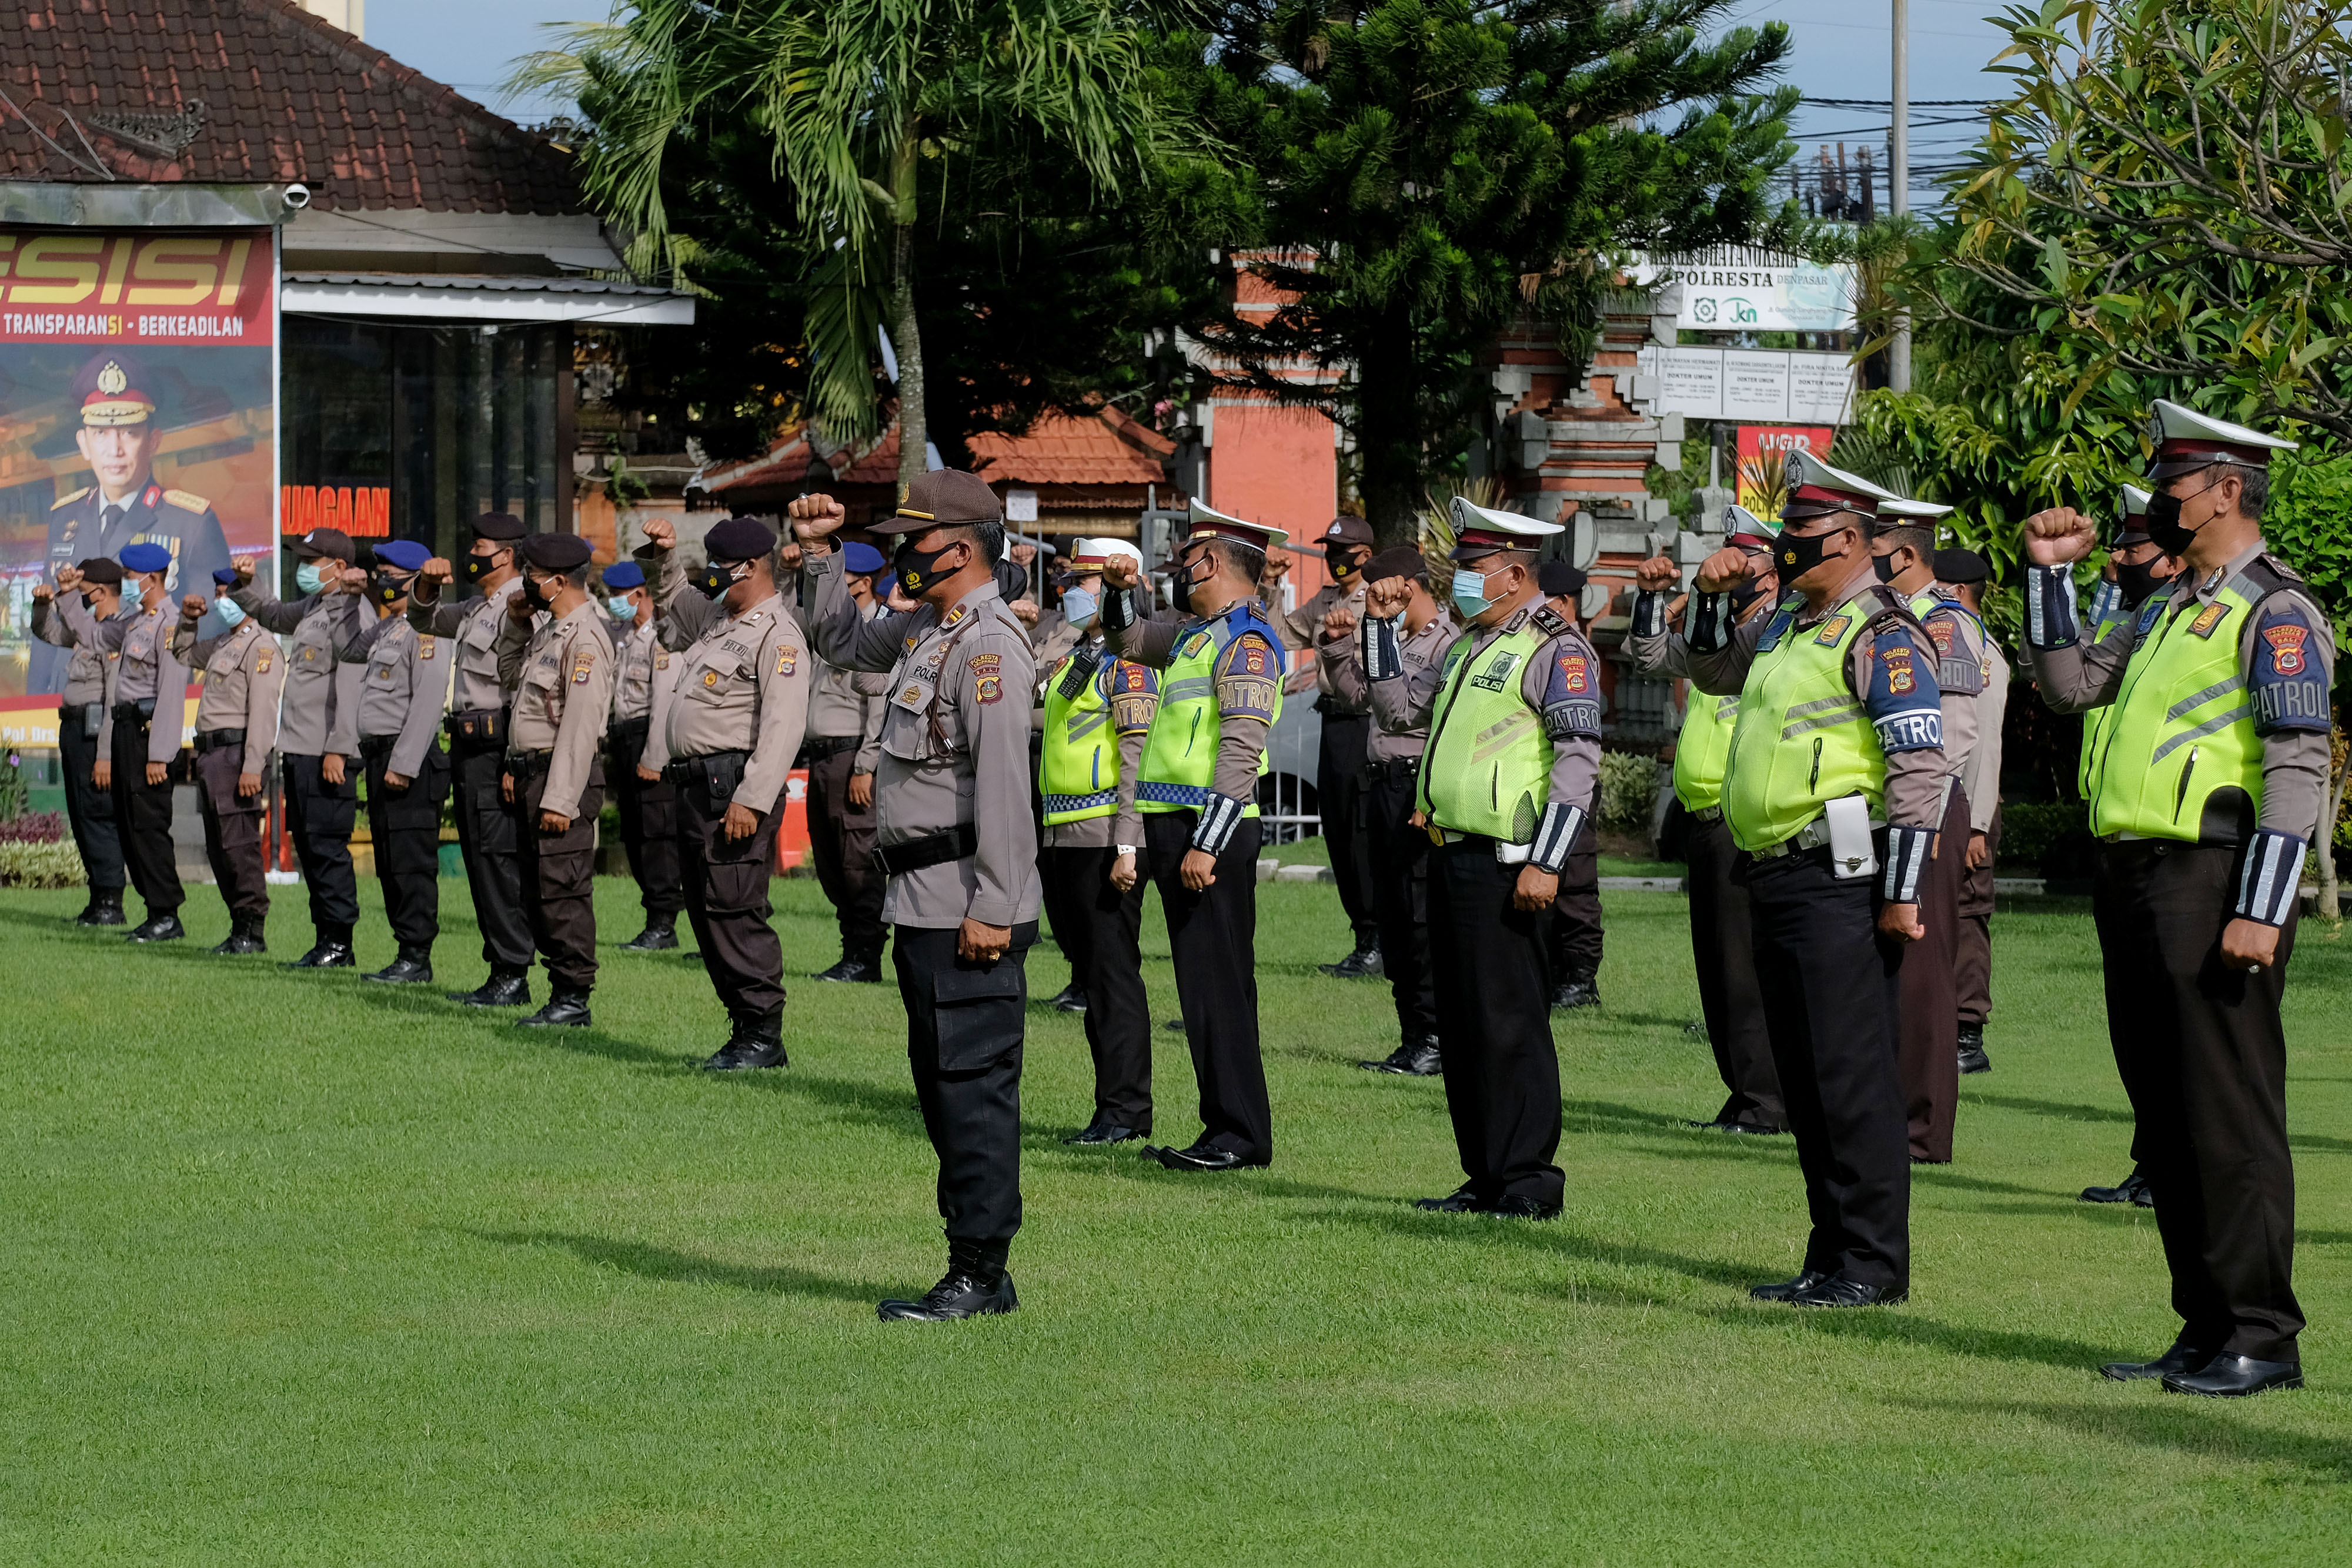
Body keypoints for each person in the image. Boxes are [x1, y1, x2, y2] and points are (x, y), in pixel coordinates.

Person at [2021, 400, 2327, 1398]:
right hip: (2134, 876)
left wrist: (2265, 907)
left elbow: (2298, 764)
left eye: (2177, 483)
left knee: (2226, 1112)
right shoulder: (2163, 607)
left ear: (2230, 491)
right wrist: (2050, 577)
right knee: (2166, 1114)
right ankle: (2202, 1323)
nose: (2159, 500)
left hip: (2213, 876)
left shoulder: (2276, 611)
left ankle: (2261, 1332)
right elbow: (2072, 688)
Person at [1685, 452, 1946, 1308]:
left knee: (1848, 1072)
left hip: (1841, 871)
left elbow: (1918, 766)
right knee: (1803, 1073)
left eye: (1796, 533)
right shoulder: (1791, 626)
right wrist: (1711, 597)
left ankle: (1871, 1262)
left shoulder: (1885, 631)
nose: (1781, 546)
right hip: (1776, 870)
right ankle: (1830, 1252)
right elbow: (1709, 671)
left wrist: (1905, 891)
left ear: (1846, 538)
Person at [791, 472, 1041, 1322]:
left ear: (961, 549)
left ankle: (979, 1268)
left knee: (971, 1088)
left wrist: (996, 905)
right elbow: (834, 638)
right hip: (922, 898)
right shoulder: (926, 631)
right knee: (941, 1085)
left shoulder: (987, 644)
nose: (902, 554)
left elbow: (1007, 786)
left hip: (968, 899)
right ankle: (976, 1262)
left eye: (916, 541)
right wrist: (821, 550)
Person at [1365, 498, 1597, 1218]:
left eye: (1472, 568)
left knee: (1509, 1025)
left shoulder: (1556, 647)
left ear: (1513, 574)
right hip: (1449, 854)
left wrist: (1547, 861)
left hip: (1510, 863)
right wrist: (1377, 630)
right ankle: (1486, 1174)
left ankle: (1528, 1181)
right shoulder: (1467, 644)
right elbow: (1399, 711)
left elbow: (1578, 758)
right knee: (1464, 1030)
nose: (1461, 580)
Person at [1100, 500, 1287, 1173]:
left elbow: (1241, 747)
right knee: (1202, 985)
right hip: (1178, 826)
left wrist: (1206, 843)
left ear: (1210, 563)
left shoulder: (1247, 641)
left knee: (1219, 986)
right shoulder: (1192, 635)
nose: (1179, 571)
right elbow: (1125, 642)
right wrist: (1116, 594)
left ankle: (1238, 1134)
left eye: (1186, 560)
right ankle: (1224, 1127)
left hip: (1212, 829)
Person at [1628, 510, 1788, 1134]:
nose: (1732, 575)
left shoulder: (1771, 637)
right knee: (1717, 972)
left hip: (1736, 820)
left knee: (1742, 971)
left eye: (1745, 566)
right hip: (1700, 820)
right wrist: (1649, 598)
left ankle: (1764, 1101)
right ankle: (1743, 1091)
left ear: (1771, 577)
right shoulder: (1715, 635)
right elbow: (1647, 656)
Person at [633, 515, 813, 1069]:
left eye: (721, 569)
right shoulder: (718, 620)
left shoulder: (778, 635)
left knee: (734, 909)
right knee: (707, 912)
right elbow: (672, 593)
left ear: (753, 568)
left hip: (733, 792)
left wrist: (754, 799)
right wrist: (663, 552)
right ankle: (743, 1027)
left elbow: (783, 729)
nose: (712, 579)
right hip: (696, 789)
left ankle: (764, 1035)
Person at [1869, 496, 1984, 1166]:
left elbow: (1957, 730)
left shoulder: (1944, 623)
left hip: (1931, 812)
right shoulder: (1886, 620)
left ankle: (1922, 1131)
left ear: (1904, 554)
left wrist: (1929, 816)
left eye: (1874, 543)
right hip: (1892, 812)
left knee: (1921, 973)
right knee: (1891, 969)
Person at [2072, 487, 2175, 1211]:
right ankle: (2152, 1161)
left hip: (2174, 858)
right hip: (2111, 841)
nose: (2117, 561)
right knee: (2133, 1028)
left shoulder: (2194, 622)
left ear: (2166, 558)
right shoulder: (2141, 620)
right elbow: (2072, 674)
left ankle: (2172, 1166)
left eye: (2131, 549)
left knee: (2168, 1032)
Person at [1040, 539, 1161, 1143]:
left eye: (1084, 580)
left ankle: (1125, 1111)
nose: (1071, 590)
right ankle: (1108, 1106)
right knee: (1090, 976)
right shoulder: (1074, 655)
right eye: (1070, 578)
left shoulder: (1128, 660)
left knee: (1112, 978)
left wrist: (1127, 845)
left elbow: (1136, 755)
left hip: (1100, 837)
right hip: (1061, 836)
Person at [406, 513, 539, 1005]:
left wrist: (512, 761)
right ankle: (501, 967)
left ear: (505, 555)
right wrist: (425, 583)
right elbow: (422, 619)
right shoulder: (477, 606)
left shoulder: (523, 606)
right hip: (466, 746)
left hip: (496, 746)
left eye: (480, 545)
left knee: (498, 860)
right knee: (481, 860)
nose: (473, 553)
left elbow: (524, 690)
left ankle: (513, 971)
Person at [1335, 546, 1449, 1076]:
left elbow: (1411, 718)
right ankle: (1412, 1034)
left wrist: (1431, 795)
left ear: (1407, 586)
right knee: (1395, 916)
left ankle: (1434, 1035)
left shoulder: (1447, 644)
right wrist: (1339, 647)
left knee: (1421, 915)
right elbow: (1360, 695)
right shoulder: (1393, 638)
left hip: (1416, 793)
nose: (1374, 600)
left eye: (1379, 591)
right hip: (1383, 786)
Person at [493, 533, 616, 1028]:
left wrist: (560, 798)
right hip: (531, 775)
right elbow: (509, 679)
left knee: (562, 892)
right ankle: (560, 992)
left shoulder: (586, 639)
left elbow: (580, 728)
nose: (526, 582)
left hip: (559, 779)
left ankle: (573, 996)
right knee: (538, 891)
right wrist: (517, 625)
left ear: (559, 581)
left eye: (532, 574)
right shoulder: (549, 630)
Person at [230, 530, 365, 969]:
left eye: (313, 560)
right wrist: (247, 581)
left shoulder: (352, 611)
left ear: (340, 567)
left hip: (326, 751)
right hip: (301, 748)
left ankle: (339, 943)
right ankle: (324, 937)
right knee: (309, 845)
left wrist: (340, 748)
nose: (304, 567)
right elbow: (270, 612)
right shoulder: (312, 607)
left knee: (327, 847)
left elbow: (352, 684)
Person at [332, 540, 452, 984]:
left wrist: (404, 762)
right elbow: (347, 649)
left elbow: (428, 699)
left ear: (413, 576)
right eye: (378, 570)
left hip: (409, 760)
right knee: (388, 859)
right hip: (382, 758)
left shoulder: (428, 626)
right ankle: (407, 950)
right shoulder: (389, 628)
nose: (380, 578)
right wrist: (348, 599)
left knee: (410, 861)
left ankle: (416, 955)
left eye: (388, 571)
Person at [38, 352, 230, 622]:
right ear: (83, 444)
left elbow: (209, 630)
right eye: (101, 433)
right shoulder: (65, 517)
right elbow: (49, 627)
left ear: (153, 441)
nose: (114, 450)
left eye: (129, 433)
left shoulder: (191, 523)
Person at [71, 541, 189, 942]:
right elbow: (92, 632)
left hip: (146, 734)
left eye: (130, 576)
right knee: (128, 823)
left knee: (149, 824)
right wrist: (71, 595)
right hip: (124, 729)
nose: (126, 583)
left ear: (152, 578)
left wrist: (160, 753)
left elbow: (172, 694)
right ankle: (154, 911)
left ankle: (167, 913)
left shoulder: (169, 624)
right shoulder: (136, 622)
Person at [1282, 515, 1382, 979]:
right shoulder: (1325, 600)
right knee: (1339, 830)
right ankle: (1362, 935)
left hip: (1366, 723)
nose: (1334, 560)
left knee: (1363, 831)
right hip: (1332, 723)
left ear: (1365, 555)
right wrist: (1265, 590)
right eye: (1330, 550)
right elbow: (1284, 633)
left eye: (1343, 553)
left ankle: (1378, 937)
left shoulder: (1380, 598)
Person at [168, 569, 283, 953]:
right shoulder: (224, 642)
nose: (222, 600)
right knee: (220, 848)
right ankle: (239, 927)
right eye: (218, 592)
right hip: (211, 753)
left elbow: (264, 712)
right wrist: (188, 620)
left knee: (240, 846)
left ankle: (253, 929)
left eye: (229, 593)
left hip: (237, 755)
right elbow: (183, 652)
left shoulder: (261, 646)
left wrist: (254, 764)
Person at [802, 541, 892, 984]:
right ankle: (850, 947)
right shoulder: (836, 630)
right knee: (830, 861)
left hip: (851, 757)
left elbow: (879, 706)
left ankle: (865, 954)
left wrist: (866, 764)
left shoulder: (877, 632)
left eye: (847, 583)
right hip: (822, 759)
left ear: (866, 584)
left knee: (858, 860)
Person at [1936, 549, 2007, 1076]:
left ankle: (1967, 1034)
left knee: (1966, 916)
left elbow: (1983, 747)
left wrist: (1977, 825)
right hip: (1946, 801)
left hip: (1968, 804)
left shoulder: (1979, 651)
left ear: (1959, 591)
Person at [30, 557, 131, 925]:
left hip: (94, 736)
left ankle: (111, 900)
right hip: (73, 729)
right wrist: (43, 605)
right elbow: (49, 633)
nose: (78, 599)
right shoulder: (87, 630)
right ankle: (97, 895)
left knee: (98, 815)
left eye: (83, 593)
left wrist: (105, 756)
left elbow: (113, 700)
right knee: (80, 813)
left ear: (101, 592)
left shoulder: (115, 634)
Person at [596, 558, 689, 954]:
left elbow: (664, 702)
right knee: (635, 834)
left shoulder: (661, 637)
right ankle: (653, 916)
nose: (614, 603)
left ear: (640, 594)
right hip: (622, 738)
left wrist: (654, 757)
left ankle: (664, 921)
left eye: (619, 596)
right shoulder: (622, 635)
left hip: (648, 741)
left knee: (656, 834)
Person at [1536, 558, 1605, 1010]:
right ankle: (1559, 970)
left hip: (1573, 782)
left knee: (1575, 879)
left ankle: (1580, 977)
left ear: (1563, 602)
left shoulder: (1571, 649)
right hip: (1546, 781)